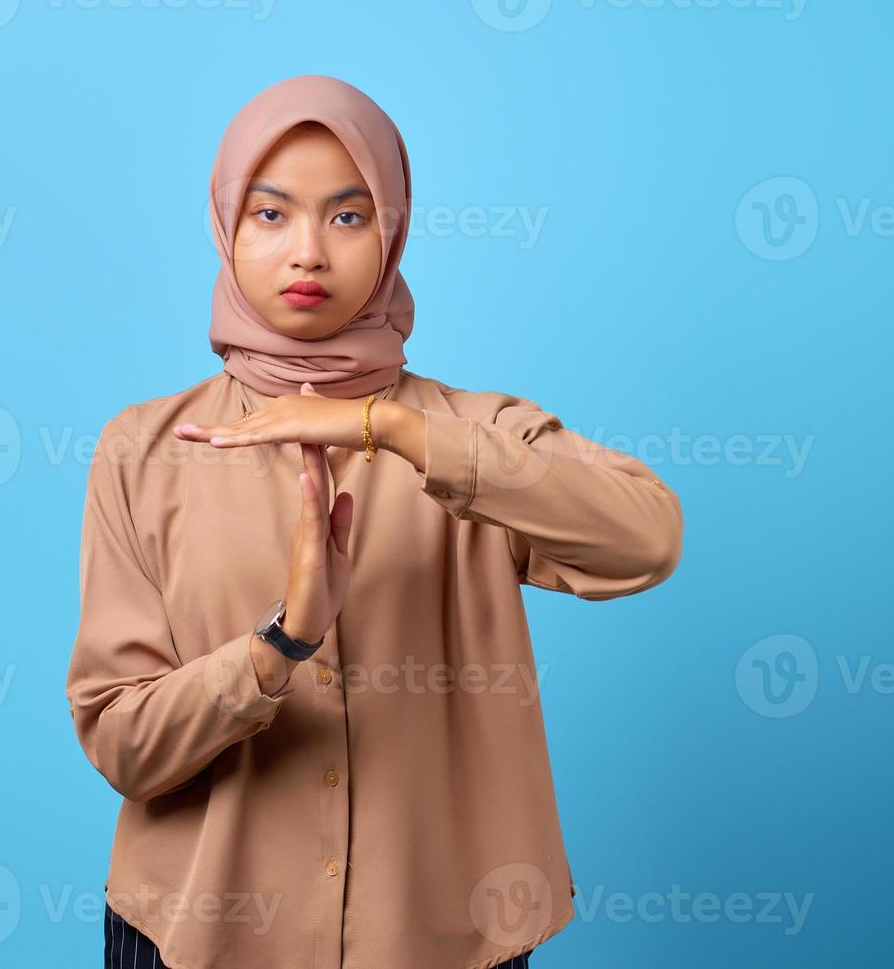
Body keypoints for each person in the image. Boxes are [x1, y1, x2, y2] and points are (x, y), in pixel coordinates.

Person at [67, 73, 683, 969]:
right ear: (225, 227)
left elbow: (646, 539)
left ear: (392, 234)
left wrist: (390, 427)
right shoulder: (143, 449)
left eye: (348, 217)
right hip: (198, 941)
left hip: (441, 940)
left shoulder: (475, 435)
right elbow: (122, 744)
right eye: (270, 215)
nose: (308, 252)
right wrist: (279, 647)